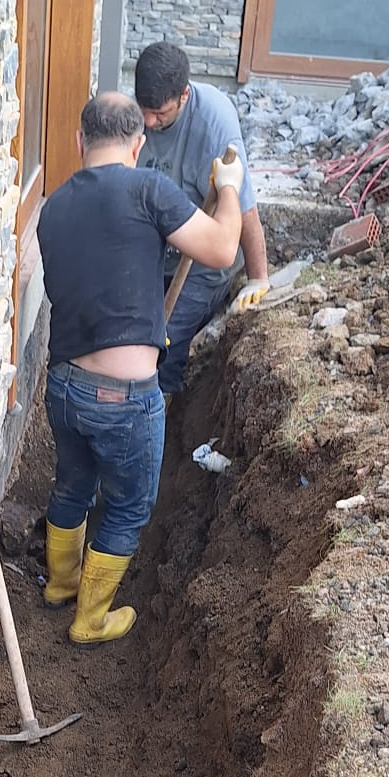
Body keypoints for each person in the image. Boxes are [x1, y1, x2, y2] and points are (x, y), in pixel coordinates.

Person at [35, 91, 243, 644]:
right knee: (128, 505)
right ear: (138, 144)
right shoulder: (149, 188)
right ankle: (90, 618)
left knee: (73, 484)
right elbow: (223, 248)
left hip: (62, 388)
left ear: (79, 141)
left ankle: (60, 586)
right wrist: (229, 188)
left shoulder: (52, 206)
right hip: (124, 399)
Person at [132, 40, 270, 397]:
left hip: (202, 262)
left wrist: (258, 279)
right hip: (152, 254)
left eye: (159, 114)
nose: (149, 121)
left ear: (184, 96)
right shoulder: (136, 116)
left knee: (167, 342)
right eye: (145, 109)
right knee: (135, 336)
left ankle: (165, 413)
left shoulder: (213, 124)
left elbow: (245, 209)